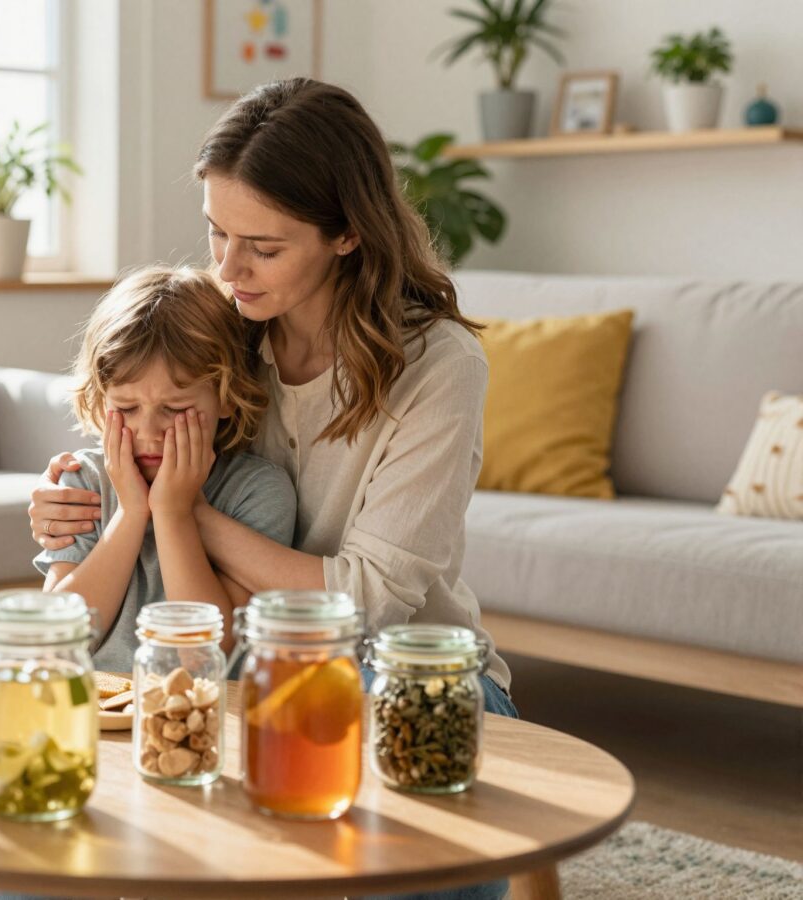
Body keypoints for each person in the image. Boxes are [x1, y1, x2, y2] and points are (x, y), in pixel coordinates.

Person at [29, 79, 516, 900]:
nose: (227, 268)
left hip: (393, 664)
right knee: (33, 815)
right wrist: (78, 504)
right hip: (234, 670)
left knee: (403, 814)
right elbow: (128, 427)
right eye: (217, 233)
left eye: (263, 245)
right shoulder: (223, 333)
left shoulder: (436, 367)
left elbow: (364, 603)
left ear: (348, 234)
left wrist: (177, 510)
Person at [34, 265, 296, 669]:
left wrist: (175, 512)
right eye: (126, 408)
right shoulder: (84, 482)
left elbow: (206, 654)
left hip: (199, 709)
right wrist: (131, 512)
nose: (148, 431)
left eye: (175, 409)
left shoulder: (258, 491)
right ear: (102, 399)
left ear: (227, 398)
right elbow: (55, 640)